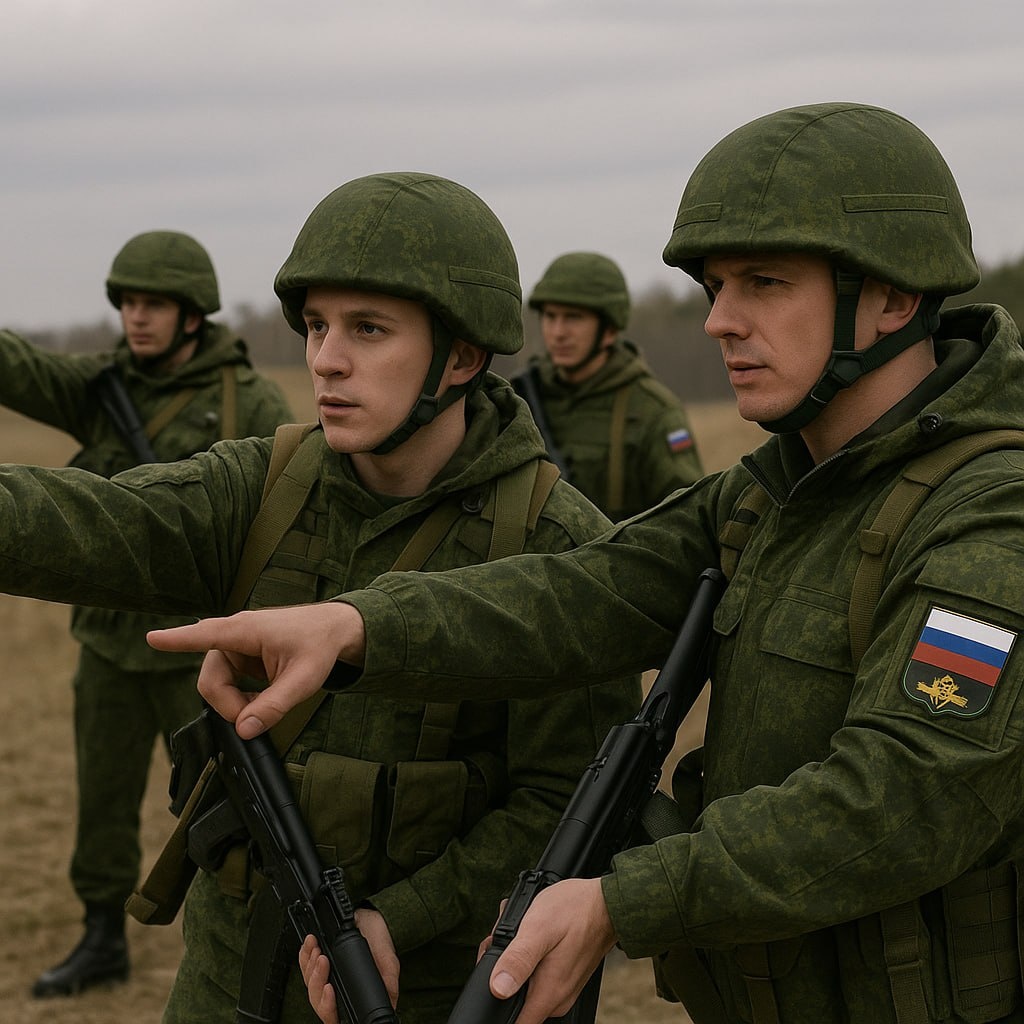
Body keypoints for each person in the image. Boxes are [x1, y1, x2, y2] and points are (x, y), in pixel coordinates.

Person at [155, 102, 1024, 1024]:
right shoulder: (772, 494)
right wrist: (355, 626)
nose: (720, 320)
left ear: (892, 298)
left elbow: (906, 796)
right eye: (715, 286)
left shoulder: (989, 517)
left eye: (764, 283)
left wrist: (622, 900)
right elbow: (579, 591)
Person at [0, 173, 638, 1023]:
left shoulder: (558, 544)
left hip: (428, 990)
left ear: (461, 356)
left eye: (368, 329)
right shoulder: (262, 487)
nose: (327, 359)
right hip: (229, 970)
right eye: (316, 326)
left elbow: (567, 803)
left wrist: (395, 918)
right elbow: (83, 521)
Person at [0, 230, 293, 998]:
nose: (137, 317)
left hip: (197, 648)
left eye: (154, 304)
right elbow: (17, 368)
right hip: (108, 644)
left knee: (225, 797)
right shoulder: (102, 387)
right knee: (103, 794)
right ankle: (102, 935)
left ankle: (247, 936)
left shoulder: (247, 401)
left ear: (192, 314)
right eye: (128, 302)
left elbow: (276, 520)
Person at [511, 251, 704, 520]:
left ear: (610, 330)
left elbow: (686, 517)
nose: (558, 332)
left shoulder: (653, 411)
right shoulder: (521, 399)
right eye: (550, 316)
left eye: (573, 317)